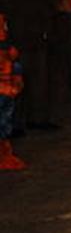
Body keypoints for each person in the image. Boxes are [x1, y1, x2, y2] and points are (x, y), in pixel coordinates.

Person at [0, 0, 56, 131]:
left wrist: (47, 19)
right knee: (15, 74)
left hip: (36, 27)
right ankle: (14, 122)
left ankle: (38, 118)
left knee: (39, 73)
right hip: (14, 28)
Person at [0, 12, 24, 169]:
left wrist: (16, 80)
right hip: (4, 86)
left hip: (7, 87)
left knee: (5, 119)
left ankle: (4, 153)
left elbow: (14, 62)